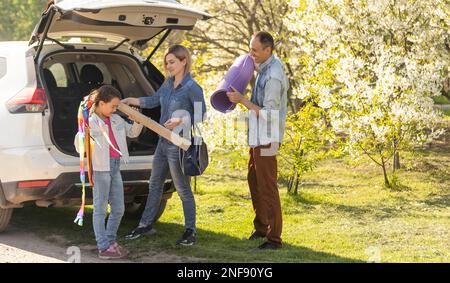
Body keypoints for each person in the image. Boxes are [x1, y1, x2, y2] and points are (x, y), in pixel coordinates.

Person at [122, 45, 207, 246]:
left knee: (182, 188)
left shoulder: (192, 87)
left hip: (179, 144)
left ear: (183, 61)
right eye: (166, 63)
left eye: (172, 62)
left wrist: (180, 120)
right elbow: (153, 101)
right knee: (154, 184)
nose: (168, 66)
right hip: (162, 142)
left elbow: (201, 114)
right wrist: (131, 100)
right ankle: (145, 225)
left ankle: (190, 231)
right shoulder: (168, 84)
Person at [226, 31, 289, 250]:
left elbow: (270, 114)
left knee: (267, 186)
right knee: (254, 180)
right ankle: (261, 227)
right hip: (257, 136)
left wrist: (242, 100)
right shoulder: (263, 67)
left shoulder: (273, 76)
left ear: (267, 50)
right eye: (250, 48)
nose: (250, 52)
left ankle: (274, 238)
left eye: (254, 50)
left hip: (268, 138)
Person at [75, 85, 143, 259]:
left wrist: (137, 119)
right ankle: (103, 246)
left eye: (116, 107)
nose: (115, 109)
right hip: (100, 169)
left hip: (115, 167)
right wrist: (83, 132)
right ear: (101, 103)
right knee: (100, 209)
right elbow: (79, 146)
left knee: (119, 208)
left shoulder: (116, 120)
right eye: (113, 106)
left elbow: (132, 132)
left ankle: (111, 242)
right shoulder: (89, 122)